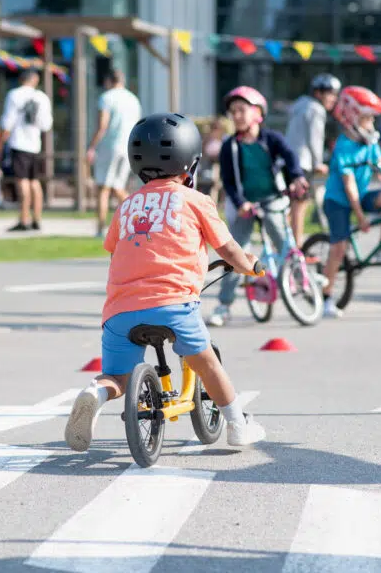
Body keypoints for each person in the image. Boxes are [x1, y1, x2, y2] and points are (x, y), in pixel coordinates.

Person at [63, 113, 267, 452]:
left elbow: (115, 252)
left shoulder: (127, 205)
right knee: (207, 363)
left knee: (117, 378)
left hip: (120, 310)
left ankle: (95, 393)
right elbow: (228, 248)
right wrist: (249, 266)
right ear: (190, 163)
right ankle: (237, 424)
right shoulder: (196, 201)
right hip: (174, 305)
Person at [206, 86, 309, 328]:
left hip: (272, 198)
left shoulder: (271, 139)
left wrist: (296, 177)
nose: (236, 115)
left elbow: (290, 158)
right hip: (246, 205)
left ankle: (302, 283)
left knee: (283, 241)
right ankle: (224, 305)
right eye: (233, 111)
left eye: (242, 110)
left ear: (258, 113)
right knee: (235, 253)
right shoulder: (230, 146)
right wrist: (240, 203)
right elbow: (229, 182)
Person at [321, 86, 381, 319]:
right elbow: (348, 186)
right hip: (338, 201)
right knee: (339, 248)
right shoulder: (344, 146)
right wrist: (360, 217)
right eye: (367, 118)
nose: (372, 123)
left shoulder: (369, 142)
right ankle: (326, 297)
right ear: (352, 118)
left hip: (361, 194)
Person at [0, 70, 53, 232]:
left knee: (22, 181)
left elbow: (7, 122)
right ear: (35, 80)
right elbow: (46, 125)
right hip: (35, 145)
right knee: (34, 182)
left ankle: (24, 219)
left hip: (19, 143)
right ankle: (37, 219)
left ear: (21, 79)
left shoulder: (14, 95)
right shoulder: (42, 97)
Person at [284, 73, 340, 243]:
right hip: (303, 162)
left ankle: (284, 245)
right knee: (300, 205)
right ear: (318, 93)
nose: (334, 98)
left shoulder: (300, 104)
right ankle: (297, 247)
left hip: (288, 159)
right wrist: (318, 163)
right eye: (330, 94)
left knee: (288, 206)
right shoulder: (316, 109)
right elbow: (315, 138)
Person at [87, 69, 141, 237]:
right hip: (128, 147)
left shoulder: (107, 97)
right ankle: (137, 221)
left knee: (103, 187)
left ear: (108, 81)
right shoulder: (133, 99)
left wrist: (91, 146)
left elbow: (102, 125)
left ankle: (101, 228)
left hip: (110, 146)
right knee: (118, 187)